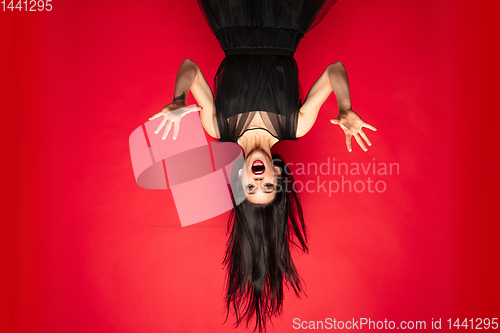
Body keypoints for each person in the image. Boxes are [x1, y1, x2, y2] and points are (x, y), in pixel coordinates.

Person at [147, 0, 376, 331]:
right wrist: (345, 107)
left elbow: (190, 67)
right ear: (278, 175)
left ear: (240, 178)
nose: (258, 180)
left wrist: (179, 100)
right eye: (267, 186)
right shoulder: (296, 126)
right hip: (286, 15)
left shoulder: (217, 128)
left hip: (233, 14)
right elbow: (335, 70)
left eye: (250, 188)